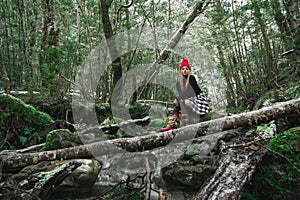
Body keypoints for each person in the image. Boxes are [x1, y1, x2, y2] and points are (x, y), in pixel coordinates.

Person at [160, 57, 210, 131]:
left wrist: (181, 98)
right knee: (178, 105)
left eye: (187, 69)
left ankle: (185, 122)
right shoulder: (178, 83)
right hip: (186, 101)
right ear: (180, 71)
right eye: (183, 69)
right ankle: (172, 124)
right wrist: (178, 99)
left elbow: (194, 91)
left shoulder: (192, 78)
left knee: (182, 101)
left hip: (198, 99)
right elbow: (181, 94)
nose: (185, 70)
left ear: (189, 70)